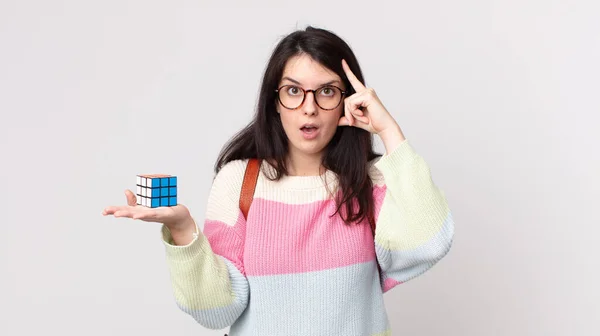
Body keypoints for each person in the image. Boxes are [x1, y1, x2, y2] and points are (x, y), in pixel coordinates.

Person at [103, 26, 455, 336]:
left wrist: (390, 131)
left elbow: (428, 245)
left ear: (347, 100)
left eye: (327, 91)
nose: (309, 108)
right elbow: (217, 311)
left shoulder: (371, 180)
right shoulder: (239, 181)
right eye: (293, 91)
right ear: (275, 101)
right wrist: (182, 231)